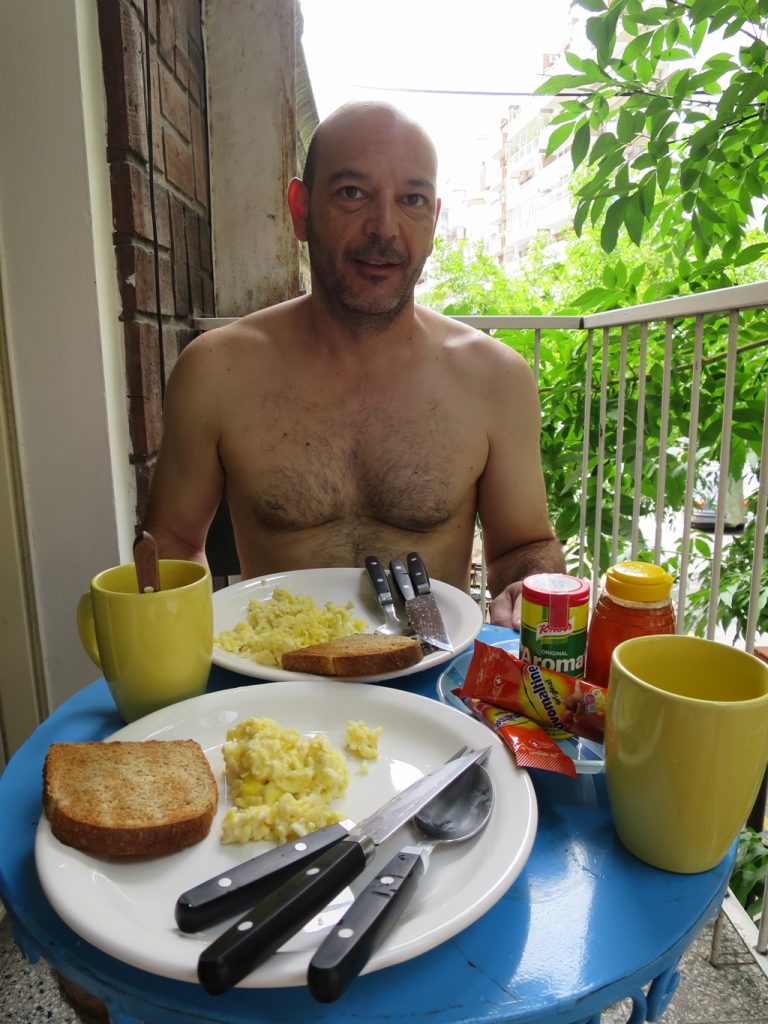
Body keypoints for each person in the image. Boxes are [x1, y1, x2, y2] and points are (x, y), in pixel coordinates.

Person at [142, 101, 565, 629]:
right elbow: (173, 547)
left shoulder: (494, 380)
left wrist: (530, 590)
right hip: (275, 681)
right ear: (300, 209)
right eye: (352, 193)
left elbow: (523, 546)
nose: (383, 227)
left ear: (433, 222)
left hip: (431, 673)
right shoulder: (215, 371)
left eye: (411, 199)